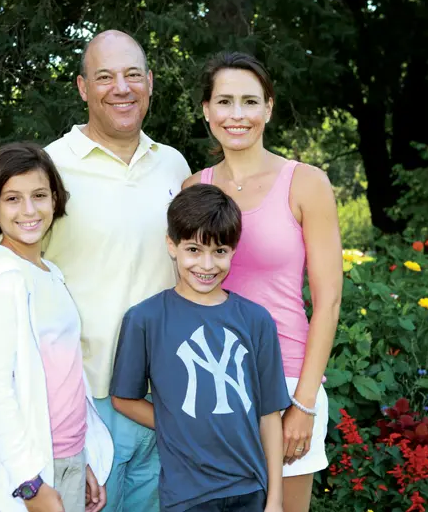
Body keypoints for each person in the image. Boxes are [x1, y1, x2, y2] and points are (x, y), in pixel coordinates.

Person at [0, 31, 192, 511]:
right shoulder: (49, 169)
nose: (120, 88)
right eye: (104, 77)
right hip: (89, 401)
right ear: (83, 88)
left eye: (132, 75)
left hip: (164, 396)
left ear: (150, 83)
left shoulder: (174, 165)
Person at [183, 52, 343, 512]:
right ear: (207, 110)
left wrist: (305, 402)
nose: (237, 115)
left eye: (250, 101)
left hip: (288, 378)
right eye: (225, 101)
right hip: (212, 381)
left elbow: (328, 299)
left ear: (268, 108)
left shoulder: (305, 182)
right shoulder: (193, 188)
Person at [110, 184, 289, 512]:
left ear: (233, 250)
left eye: (219, 251)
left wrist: (275, 499)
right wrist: (175, 423)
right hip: (187, 494)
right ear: (172, 245)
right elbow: (123, 398)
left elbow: (268, 414)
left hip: (251, 487)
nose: (206, 265)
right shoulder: (145, 319)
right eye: (194, 249)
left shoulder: (256, 320)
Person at [0, 143, 113, 512]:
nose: (29, 210)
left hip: (66, 460)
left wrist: (82, 458)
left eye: (39, 195)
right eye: (13, 198)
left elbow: (64, 377)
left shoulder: (49, 273)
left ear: (55, 199)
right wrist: (30, 484)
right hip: (23, 477)